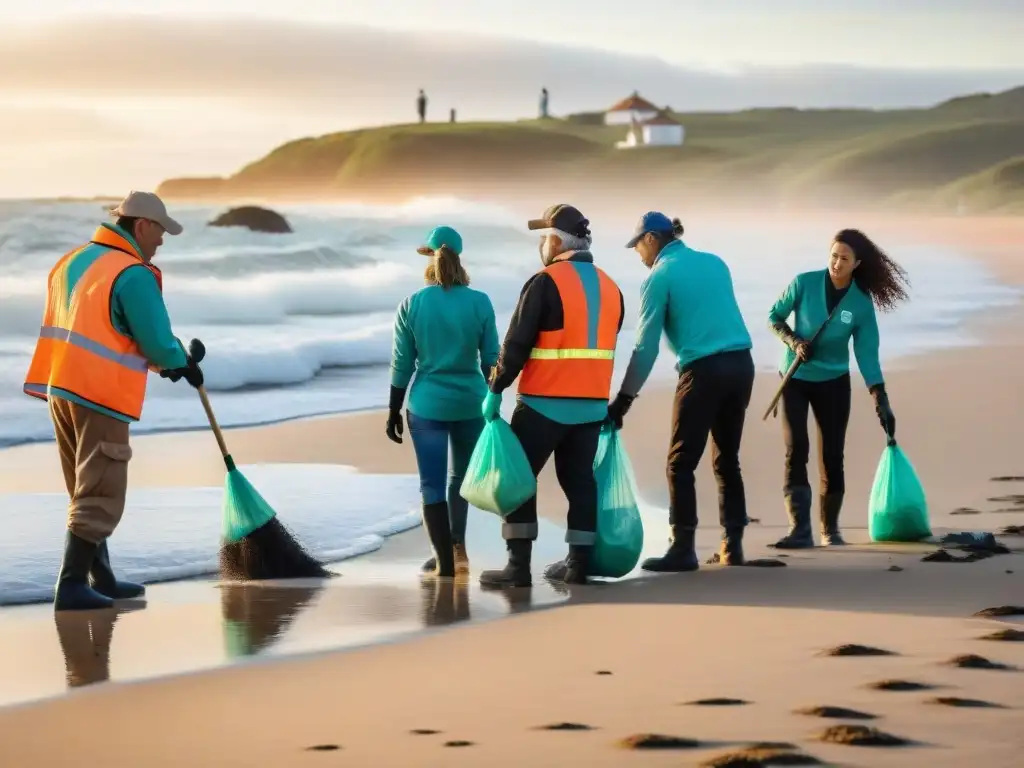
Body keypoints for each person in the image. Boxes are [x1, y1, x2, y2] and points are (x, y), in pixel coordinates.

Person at [23, 191, 204, 612]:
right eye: (160, 230)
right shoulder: (131, 272)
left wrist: (174, 362)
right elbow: (155, 341)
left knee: (83, 485)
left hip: (61, 388)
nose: (161, 240)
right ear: (142, 225)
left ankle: (99, 577)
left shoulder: (72, 261)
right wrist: (180, 361)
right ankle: (70, 586)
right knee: (102, 489)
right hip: (99, 394)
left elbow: (103, 327)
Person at [479, 204, 625, 587]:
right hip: (592, 407)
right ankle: (578, 566)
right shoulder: (612, 287)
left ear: (557, 241)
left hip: (544, 403)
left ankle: (518, 568)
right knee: (580, 485)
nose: (543, 244)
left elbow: (516, 344)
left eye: (544, 237)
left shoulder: (546, 281)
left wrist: (495, 389)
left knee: (519, 482)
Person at [608, 213, 754, 571]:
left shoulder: (658, 277)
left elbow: (646, 348)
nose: (638, 253)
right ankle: (732, 545)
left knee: (680, 463)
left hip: (704, 371)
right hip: (741, 365)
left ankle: (683, 548)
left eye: (638, 244)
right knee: (726, 458)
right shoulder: (715, 263)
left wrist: (623, 400)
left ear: (653, 239)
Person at [767, 229, 907, 548]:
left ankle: (830, 530)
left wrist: (879, 396)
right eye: (833, 255)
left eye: (844, 259)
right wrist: (794, 341)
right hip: (795, 377)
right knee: (796, 448)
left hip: (833, 381)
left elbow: (867, 352)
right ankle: (800, 529)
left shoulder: (859, 303)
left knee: (832, 455)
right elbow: (774, 317)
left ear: (857, 264)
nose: (836, 263)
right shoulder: (803, 283)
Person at [387, 226, 500, 578]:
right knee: (460, 479)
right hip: (471, 404)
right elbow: (491, 359)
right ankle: (458, 549)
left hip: (427, 406)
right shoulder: (480, 301)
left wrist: (393, 408)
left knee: (431, 485)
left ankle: (445, 563)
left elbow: (402, 362)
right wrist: (494, 401)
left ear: (430, 259)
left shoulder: (412, 304)